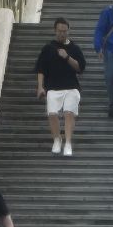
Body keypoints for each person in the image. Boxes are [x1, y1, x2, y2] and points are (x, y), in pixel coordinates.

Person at [34, 16, 86, 156]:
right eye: (59, 31)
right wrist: (40, 87)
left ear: (68, 31)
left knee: (69, 113)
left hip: (71, 87)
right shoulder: (48, 48)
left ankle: (68, 143)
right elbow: (40, 69)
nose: (62, 33)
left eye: (64, 31)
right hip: (53, 87)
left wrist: (67, 57)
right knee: (52, 113)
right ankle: (57, 139)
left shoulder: (74, 48)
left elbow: (80, 68)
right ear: (55, 31)